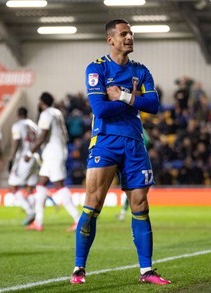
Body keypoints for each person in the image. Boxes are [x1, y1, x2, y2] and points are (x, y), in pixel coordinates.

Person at [71, 19, 171, 285]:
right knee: (93, 205)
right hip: (105, 141)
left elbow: (154, 105)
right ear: (111, 40)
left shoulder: (142, 70)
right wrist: (135, 99)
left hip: (135, 143)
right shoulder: (97, 68)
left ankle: (146, 271)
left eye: (131, 33)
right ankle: (79, 269)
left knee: (141, 205)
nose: (129, 38)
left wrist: (123, 97)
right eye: (124, 34)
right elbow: (100, 109)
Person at [24, 92, 80, 232]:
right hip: (56, 150)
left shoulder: (46, 114)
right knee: (41, 184)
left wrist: (30, 152)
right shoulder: (57, 112)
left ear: (42, 102)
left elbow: (42, 136)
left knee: (59, 185)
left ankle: (78, 219)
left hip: (53, 152)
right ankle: (38, 222)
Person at [7, 106, 39, 226]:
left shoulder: (17, 125)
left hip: (23, 158)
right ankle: (35, 217)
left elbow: (16, 142)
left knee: (12, 187)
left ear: (18, 114)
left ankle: (30, 212)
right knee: (30, 188)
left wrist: (11, 158)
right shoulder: (34, 125)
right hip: (34, 157)